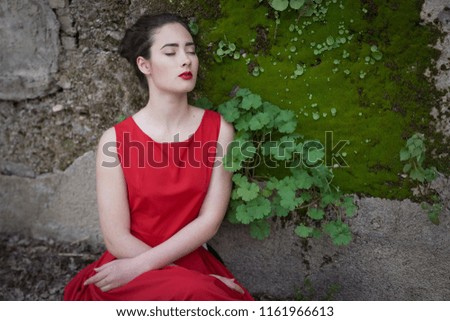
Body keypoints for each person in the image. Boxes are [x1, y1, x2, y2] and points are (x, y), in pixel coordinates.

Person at [63, 13, 254, 300]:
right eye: (171, 52)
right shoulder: (114, 141)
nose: (186, 60)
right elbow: (116, 238)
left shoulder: (219, 130)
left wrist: (167, 270)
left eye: (190, 51)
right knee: (199, 291)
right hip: (128, 265)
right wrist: (154, 269)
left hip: (183, 257)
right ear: (145, 64)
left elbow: (209, 220)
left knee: (199, 293)